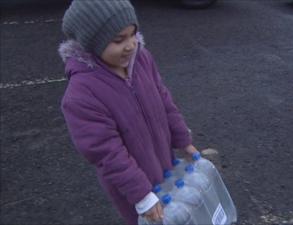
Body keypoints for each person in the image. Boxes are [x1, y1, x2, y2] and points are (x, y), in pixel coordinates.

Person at [58, 0, 198, 224]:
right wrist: (141, 194)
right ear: (91, 43)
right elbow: (106, 152)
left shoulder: (142, 59)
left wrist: (182, 138)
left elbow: (164, 99)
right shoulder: (82, 94)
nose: (131, 45)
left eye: (133, 34)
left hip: (164, 164)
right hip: (132, 186)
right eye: (118, 40)